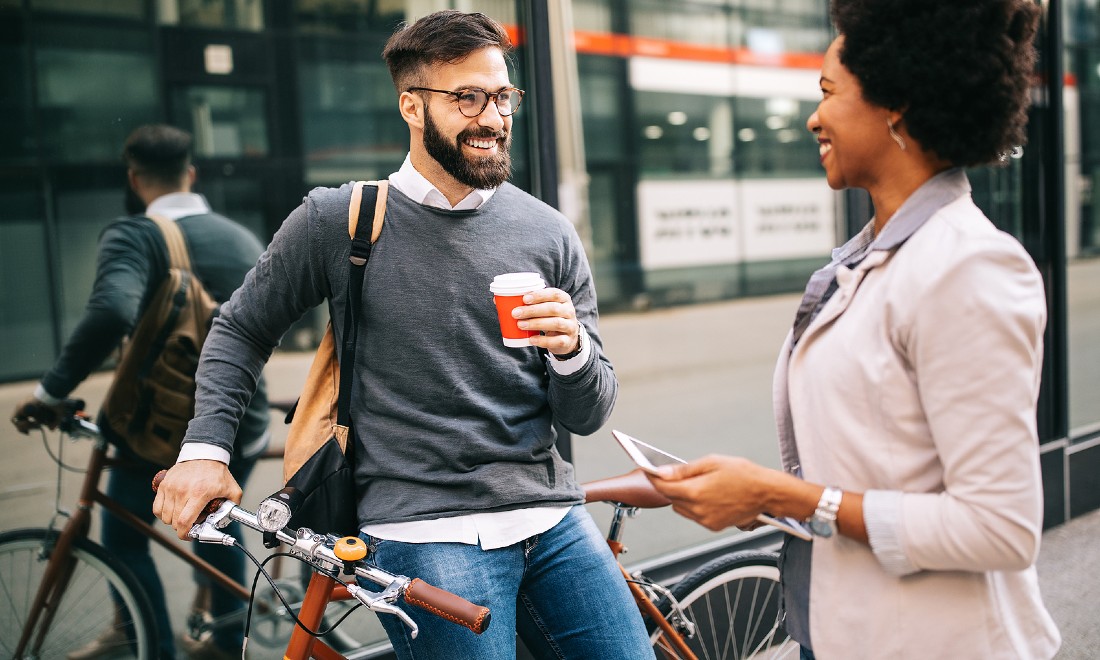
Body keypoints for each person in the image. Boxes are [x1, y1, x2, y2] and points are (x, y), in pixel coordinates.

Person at [152, 10, 652, 659]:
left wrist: (571, 351)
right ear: (412, 107)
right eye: (467, 98)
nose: (493, 117)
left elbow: (588, 413)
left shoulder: (547, 232)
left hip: (552, 516)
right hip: (423, 524)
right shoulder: (340, 220)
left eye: (502, 97)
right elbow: (240, 328)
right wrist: (205, 451)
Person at [648, 0, 1062, 658]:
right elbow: (870, 466)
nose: (814, 116)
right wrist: (759, 495)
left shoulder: (968, 266)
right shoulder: (874, 260)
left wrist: (780, 492)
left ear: (895, 104)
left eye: (827, 92)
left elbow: (1000, 527)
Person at [10, 124, 270, 660]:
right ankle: (226, 640)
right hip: (243, 416)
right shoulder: (240, 237)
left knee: (125, 537)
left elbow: (110, 312)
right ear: (191, 173)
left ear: (134, 179)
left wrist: (52, 391)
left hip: (162, 426)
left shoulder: (135, 234)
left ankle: (148, 644)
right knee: (219, 521)